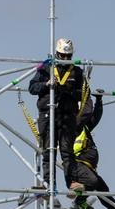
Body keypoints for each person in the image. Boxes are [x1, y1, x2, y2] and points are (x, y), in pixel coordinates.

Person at [62, 90, 115, 209]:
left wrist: (99, 101)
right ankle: (80, 198)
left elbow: (95, 117)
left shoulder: (83, 128)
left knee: (104, 192)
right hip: (78, 164)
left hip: (88, 166)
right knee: (93, 182)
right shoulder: (70, 129)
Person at [27, 37, 87, 183]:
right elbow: (32, 88)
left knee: (67, 151)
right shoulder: (46, 69)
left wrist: (68, 91)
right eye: (62, 55)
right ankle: (48, 183)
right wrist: (46, 84)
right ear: (56, 54)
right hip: (48, 114)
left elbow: (84, 94)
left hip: (67, 116)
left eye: (68, 56)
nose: (65, 58)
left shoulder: (76, 72)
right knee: (48, 151)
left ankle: (72, 182)